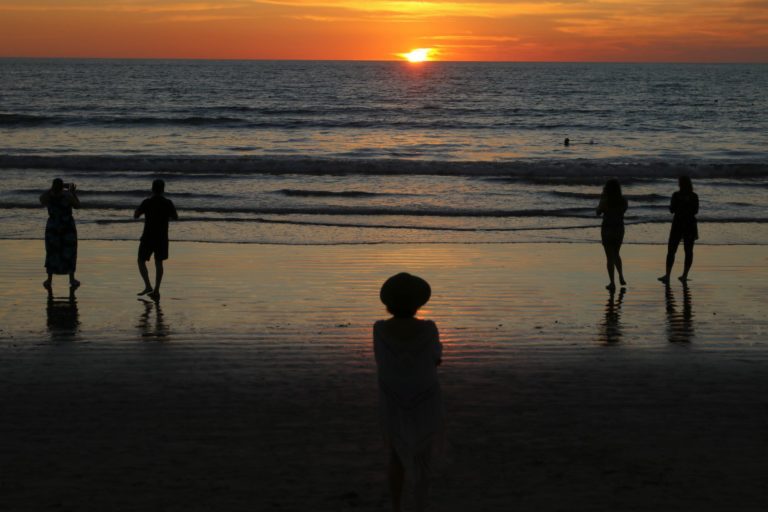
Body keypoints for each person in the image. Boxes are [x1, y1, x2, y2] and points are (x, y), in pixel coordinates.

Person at [374, 273, 443, 512]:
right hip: (424, 396)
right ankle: (420, 505)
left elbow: (381, 361)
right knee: (423, 456)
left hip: (392, 396)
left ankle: (396, 506)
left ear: (388, 304)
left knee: (395, 455)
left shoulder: (380, 329)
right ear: (418, 304)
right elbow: (436, 359)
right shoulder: (429, 328)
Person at [134, 179, 178, 301]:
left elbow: (136, 215)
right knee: (159, 263)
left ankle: (148, 286)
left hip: (148, 236)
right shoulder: (168, 202)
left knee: (141, 260)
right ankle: (156, 290)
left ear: (152, 189)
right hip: (162, 237)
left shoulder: (147, 202)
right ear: (163, 189)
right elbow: (175, 217)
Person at [40, 178, 80, 290]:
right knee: (70, 251)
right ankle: (71, 279)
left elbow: (41, 200)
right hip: (67, 226)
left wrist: (50, 189)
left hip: (53, 226)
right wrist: (73, 192)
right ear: (62, 186)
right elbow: (77, 205)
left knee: (52, 251)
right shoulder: (67, 196)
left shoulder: (48, 196)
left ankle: (49, 279)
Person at [659, 176, 699, 283]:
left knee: (671, 250)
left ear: (680, 184)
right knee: (689, 251)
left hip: (678, 223)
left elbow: (672, 210)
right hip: (690, 224)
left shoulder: (676, 195)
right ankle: (685, 275)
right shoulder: (694, 196)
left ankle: (667, 275)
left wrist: (675, 206)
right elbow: (695, 211)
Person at [596, 178, 628, 290]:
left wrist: (602, 199)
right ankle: (621, 276)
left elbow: (598, 212)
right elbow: (623, 211)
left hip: (607, 228)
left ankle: (612, 283)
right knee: (616, 253)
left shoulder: (605, 200)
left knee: (609, 257)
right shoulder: (623, 200)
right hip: (619, 228)